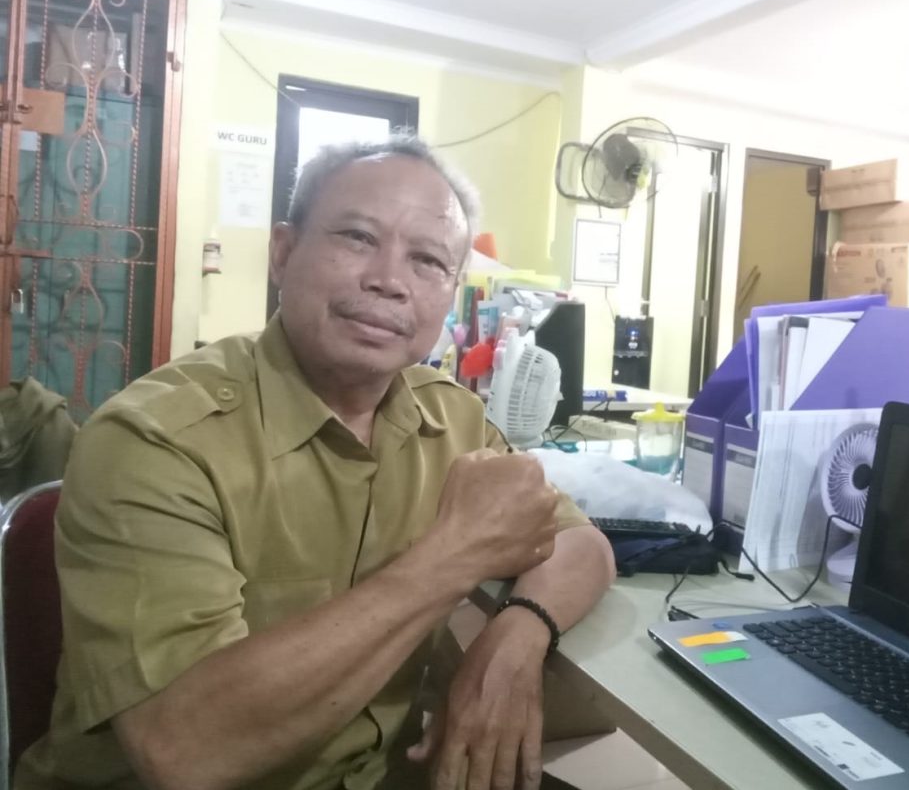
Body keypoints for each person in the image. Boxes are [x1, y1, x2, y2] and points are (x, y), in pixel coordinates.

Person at [16, 138, 616, 790]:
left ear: (451, 292)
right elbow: (186, 751)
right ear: (283, 252)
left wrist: (516, 636)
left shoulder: (452, 418)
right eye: (357, 237)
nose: (389, 280)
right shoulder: (154, 440)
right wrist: (455, 556)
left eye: (427, 260)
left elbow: (580, 543)